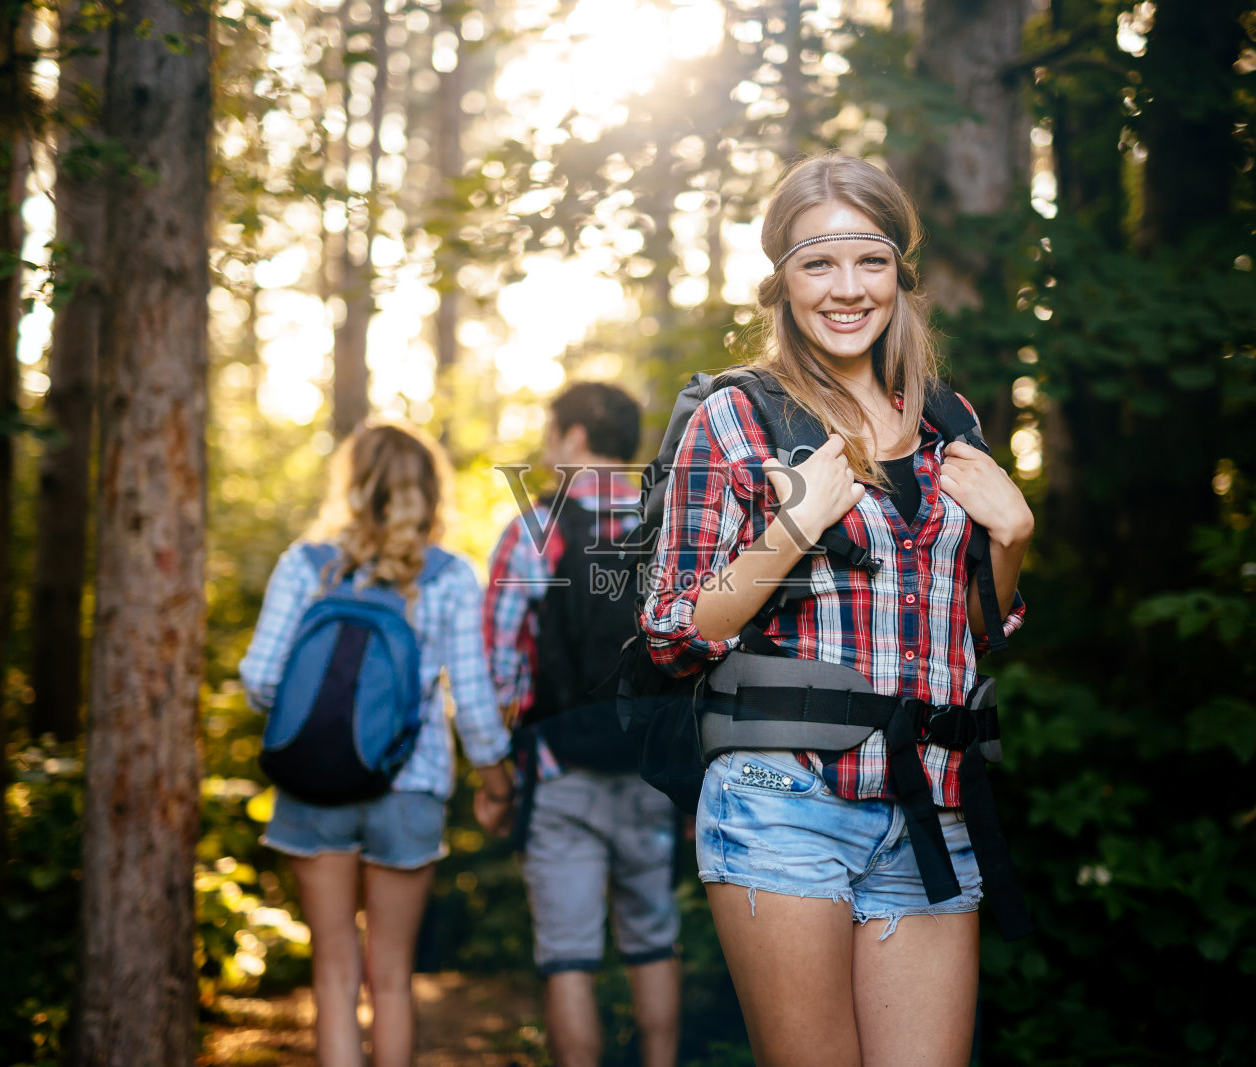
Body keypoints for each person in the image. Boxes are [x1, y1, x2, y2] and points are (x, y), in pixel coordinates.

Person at [640, 154, 1032, 1066]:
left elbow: (976, 631)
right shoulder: (735, 418)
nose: (847, 288)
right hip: (784, 797)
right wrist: (794, 522)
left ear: (900, 270)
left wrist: (1012, 541)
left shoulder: (948, 421)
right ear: (782, 281)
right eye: (818, 263)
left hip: (931, 800)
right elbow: (673, 631)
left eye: (870, 260)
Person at [239, 422, 515, 1067]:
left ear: (352, 483)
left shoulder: (305, 564)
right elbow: (473, 706)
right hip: (408, 787)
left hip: (311, 784)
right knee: (390, 976)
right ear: (428, 491)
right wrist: (498, 785)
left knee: (333, 973)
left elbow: (259, 680)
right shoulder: (449, 576)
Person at [484, 382, 683, 1067]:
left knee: (567, 953)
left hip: (559, 764)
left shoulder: (534, 530)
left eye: (550, 434)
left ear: (573, 438)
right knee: (653, 939)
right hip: (651, 767)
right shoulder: (672, 524)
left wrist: (500, 769)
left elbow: (500, 666)